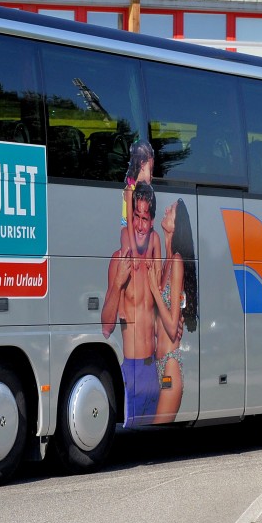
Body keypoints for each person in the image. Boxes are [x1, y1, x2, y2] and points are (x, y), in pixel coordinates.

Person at [102, 181, 162, 425]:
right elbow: (106, 327)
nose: (139, 225)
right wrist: (118, 283)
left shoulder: (154, 262)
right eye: (135, 216)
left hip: (153, 369)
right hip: (133, 368)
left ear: (151, 222)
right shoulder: (119, 261)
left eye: (145, 218)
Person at [152, 198, 198, 424]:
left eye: (172, 210)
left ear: (177, 225)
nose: (167, 209)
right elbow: (161, 324)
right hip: (158, 363)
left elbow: (171, 328)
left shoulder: (177, 261)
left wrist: (154, 290)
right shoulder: (165, 263)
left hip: (170, 364)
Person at [119, 140, 155, 259]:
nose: (152, 176)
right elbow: (129, 222)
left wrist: (149, 252)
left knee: (155, 237)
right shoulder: (130, 189)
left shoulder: (147, 189)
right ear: (142, 165)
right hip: (127, 226)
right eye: (151, 170)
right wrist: (134, 251)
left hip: (139, 225)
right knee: (127, 247)